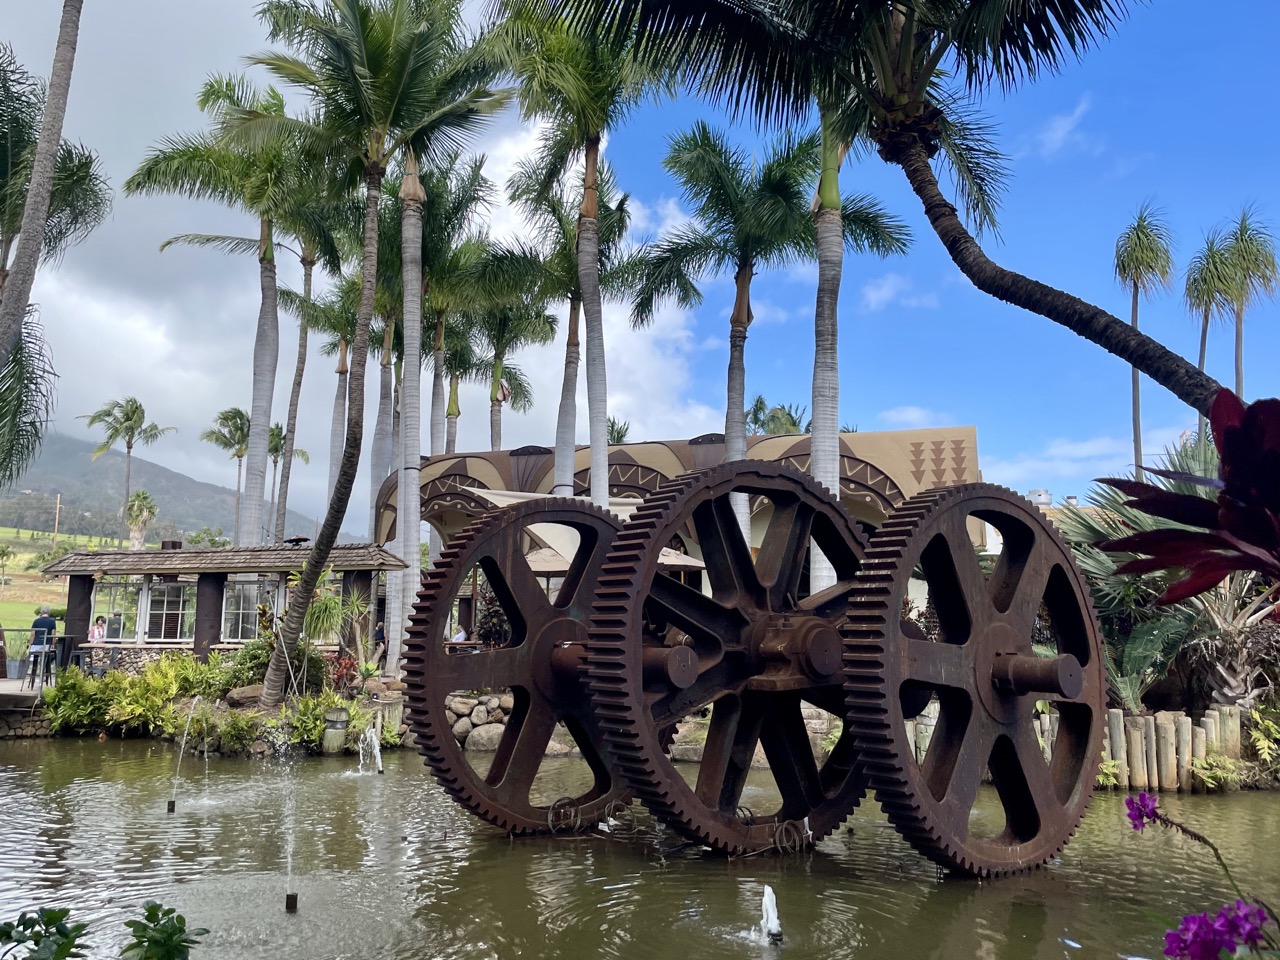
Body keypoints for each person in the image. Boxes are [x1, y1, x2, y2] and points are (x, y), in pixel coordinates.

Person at [28, 605, 58, 687]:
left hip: (36, 646)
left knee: (35, 660)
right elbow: (53, 634)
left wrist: (30, 644)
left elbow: (33, 634)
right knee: (47, 658)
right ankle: (46, 677)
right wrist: (53, 644)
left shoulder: (36, 621)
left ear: (41, 612)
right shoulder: (52, 621)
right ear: (49, 612)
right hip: (46, 645)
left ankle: (32, 678)